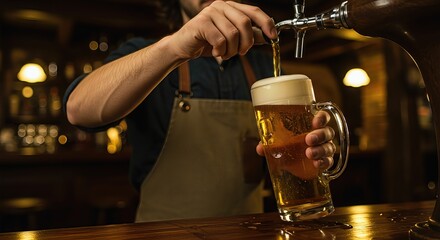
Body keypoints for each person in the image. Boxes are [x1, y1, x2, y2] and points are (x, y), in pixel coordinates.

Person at [63, 0, 336, 222]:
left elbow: (294, 166)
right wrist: (175, 47)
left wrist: (315, 152)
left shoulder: (265, 68)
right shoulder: (145, 53)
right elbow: (78, 110)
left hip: (247, 230)